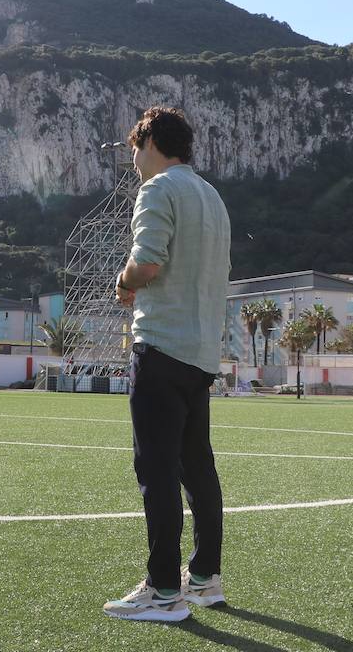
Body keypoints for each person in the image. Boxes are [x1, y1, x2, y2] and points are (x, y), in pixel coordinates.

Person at [103, 106, 232, 622]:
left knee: (155, 472)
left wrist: (124, 282)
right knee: (198, 468)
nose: (133, 161)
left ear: (149, 141)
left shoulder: (158, 189)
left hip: (160, 347)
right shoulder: (213, 197)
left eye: (134, 149)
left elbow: (148, 261)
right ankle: (204, 579)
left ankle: (162, 591)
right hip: (202, 355)